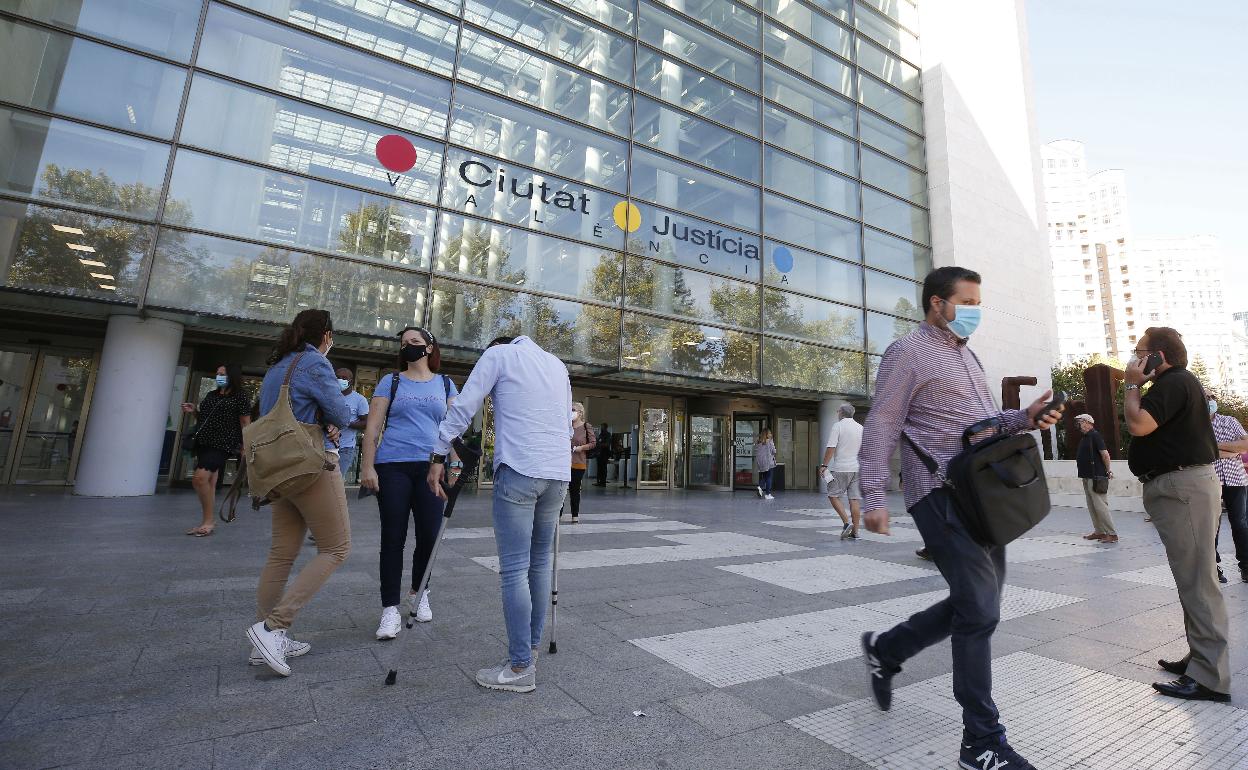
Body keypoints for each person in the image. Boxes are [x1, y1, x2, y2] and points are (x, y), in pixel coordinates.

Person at [857, 266, 1064, 770]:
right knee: (981, 612)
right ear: (936, 304)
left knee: (977, 605)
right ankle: (982, 742)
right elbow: (883, 420)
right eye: (966, 301)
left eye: (978, 302)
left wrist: (1025, 417)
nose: (975, 311)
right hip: (938, 495)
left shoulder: (968, 357)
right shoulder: (908, 352)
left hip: (980, 496)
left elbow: (979, 428)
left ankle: (887, 649)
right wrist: (872, 494)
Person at [428, 335, 571, 694]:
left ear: (496, 345)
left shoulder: (498, 355)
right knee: (539, 563)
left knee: (514, 569)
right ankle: (530, 650)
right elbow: (567, 425)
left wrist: (438, 452)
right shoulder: (557, 365)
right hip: (557, 474)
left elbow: (464, 405)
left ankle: (520, 665)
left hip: (520, 468)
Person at [1124, 327, 1231, 703]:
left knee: (1199, 581)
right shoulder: (1175, 384)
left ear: (1159, 356)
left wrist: (1130, 386)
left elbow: (1138, 424)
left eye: (1140, 352)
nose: (1133, 359)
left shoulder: (1174, 382)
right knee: (1191, 578)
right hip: (1181, 488)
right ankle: (1199, 659)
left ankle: (1210, 679)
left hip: (1183, 488)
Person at [245, 309, 351, 677]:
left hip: (278, 469)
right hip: (310, 466)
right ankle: (274, 628)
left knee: (281, 554)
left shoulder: (278, 367)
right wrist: (332, 419)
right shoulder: (314, 363)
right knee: (336, 548)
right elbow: (340, 411)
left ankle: (266, 639)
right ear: (325, 334)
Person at [358, 328, 459, 640]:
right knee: (393, 537)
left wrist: (454, 463)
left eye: (415, 343)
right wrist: (367, 467)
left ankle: (419, 590)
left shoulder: (445, 383)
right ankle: (389, 609)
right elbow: (373, 427)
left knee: (429, 535)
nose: (408, 348)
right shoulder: (392, 381)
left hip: (433, 467)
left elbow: (452, 427)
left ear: (429, 348)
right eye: (404, 344)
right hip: (392, 466)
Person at [181, 364, 249, 537]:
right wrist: (194, 411)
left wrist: (246, 446)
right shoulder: (212, 395)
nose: (218, 376)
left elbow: (245, 423)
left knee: (199, 478)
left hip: (224, 444)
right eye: (217, 373)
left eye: (222, 374)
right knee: (209, 482)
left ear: (231, 376)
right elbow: (205, 417)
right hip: (204, 441)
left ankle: (209, 521)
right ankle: (207, 521)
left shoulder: (240, 396)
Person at [1209, 400, 1248, 584]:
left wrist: (1214, 446)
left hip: (1236, 479)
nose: (1209, 401)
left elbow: (1246, 445)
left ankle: (1246, 566)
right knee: (1211, 526)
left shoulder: (1230, 421)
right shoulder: (1193, 425)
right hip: (1209, 480)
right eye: (1205, 397)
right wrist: (1232, 449)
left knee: (1241, 523)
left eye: (1211, 397)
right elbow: (1197, 451)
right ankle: (1213, 568)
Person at [818, 404, 864, 539]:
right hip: (857, 468)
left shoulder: (837, 426)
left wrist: (824, 465)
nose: (837, 413)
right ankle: (855, 532)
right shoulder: (861, 428)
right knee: (854, 500)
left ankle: (846, 522)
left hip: (841, 468)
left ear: (841, 413)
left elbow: (831, 447)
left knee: (833, 495)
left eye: (838, 411)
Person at [1074, 413, 1117, 543]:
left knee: (1100, 506)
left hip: (1096, 476)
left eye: (1080, 421)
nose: (1078, 424)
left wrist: (1108, 470)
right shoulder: (1086, 437)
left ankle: (1112, 533)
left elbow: (1105, 455)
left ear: (1087, 422)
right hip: (1087, 476)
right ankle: (1099, 532)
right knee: (1092, 506)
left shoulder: (1095, 435)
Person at [332, 367, 370, 482]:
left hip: (345, 448)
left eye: (344, 378)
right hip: (325, 446)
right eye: (337, 377)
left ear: (351, 381)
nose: (340, 380)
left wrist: (347, 423)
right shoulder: (329, 395)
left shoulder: (359, 400)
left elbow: (366, 423)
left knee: (335, 481)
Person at [566, 401, 596, 524]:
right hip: (563, 463)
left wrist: (581, 448)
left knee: (574, 489)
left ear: (580, 413)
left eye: (573, 410)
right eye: (570, 409)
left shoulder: (585, 427)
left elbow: (593, 443)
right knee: (561, 490)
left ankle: (575, 515)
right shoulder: (566, 425)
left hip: (578, 462)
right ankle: (558, 514)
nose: (571, 412)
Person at [754, 428, 777, 500]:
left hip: (761, 463)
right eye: (770, 433)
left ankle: (760, 487)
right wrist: (772, 442)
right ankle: (768, 494)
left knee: (765, 477)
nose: (771, 434)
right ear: (766, 434)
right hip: (768, 462)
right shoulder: (769, 441)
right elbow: (774, 451)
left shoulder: (758, 442)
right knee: (769, 477)